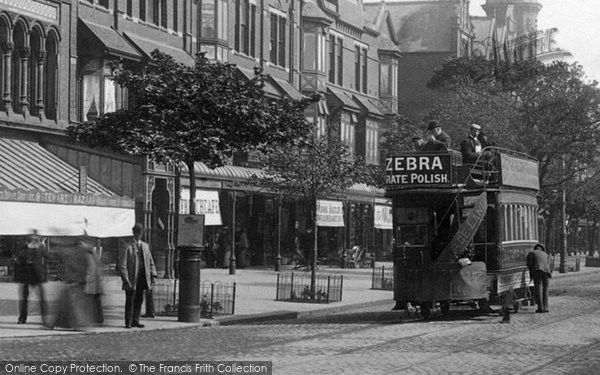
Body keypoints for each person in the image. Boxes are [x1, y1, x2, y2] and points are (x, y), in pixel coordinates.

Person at [118, 223, 158, 328]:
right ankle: (128, 322)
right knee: (130, 300)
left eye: (140, 233)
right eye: (137, 232)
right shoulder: (127, 246)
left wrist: (153, 274)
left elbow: (150, 261)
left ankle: (136, 320)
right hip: (131, 278)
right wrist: (125, 278)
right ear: (133, 232)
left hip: (142, 277)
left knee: (139, 300)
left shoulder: (145, 246)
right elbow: (122, 264)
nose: (138, 235)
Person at [14, 232, 48, 325]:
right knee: (24, 299)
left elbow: (47, 256)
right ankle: (22, 318)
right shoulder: (24, 248)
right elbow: (19, 258)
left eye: (36, 238)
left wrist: (41, 245)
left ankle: (45, 320)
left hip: (37, 276)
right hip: (26, 275)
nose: (34, 240)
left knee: (41, 299)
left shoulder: (40, 247)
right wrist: (29, 247)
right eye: (32, 238)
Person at [526, 243, 553, 313]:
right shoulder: (546, 254)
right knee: (546, 289)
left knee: (538, 288)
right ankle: (546, 307)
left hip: (538, 270)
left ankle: (540, 308)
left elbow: (529, 264)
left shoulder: (532, 253)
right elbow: (549, 264)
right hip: (547, 272)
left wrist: (531, 273)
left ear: (536, 248)